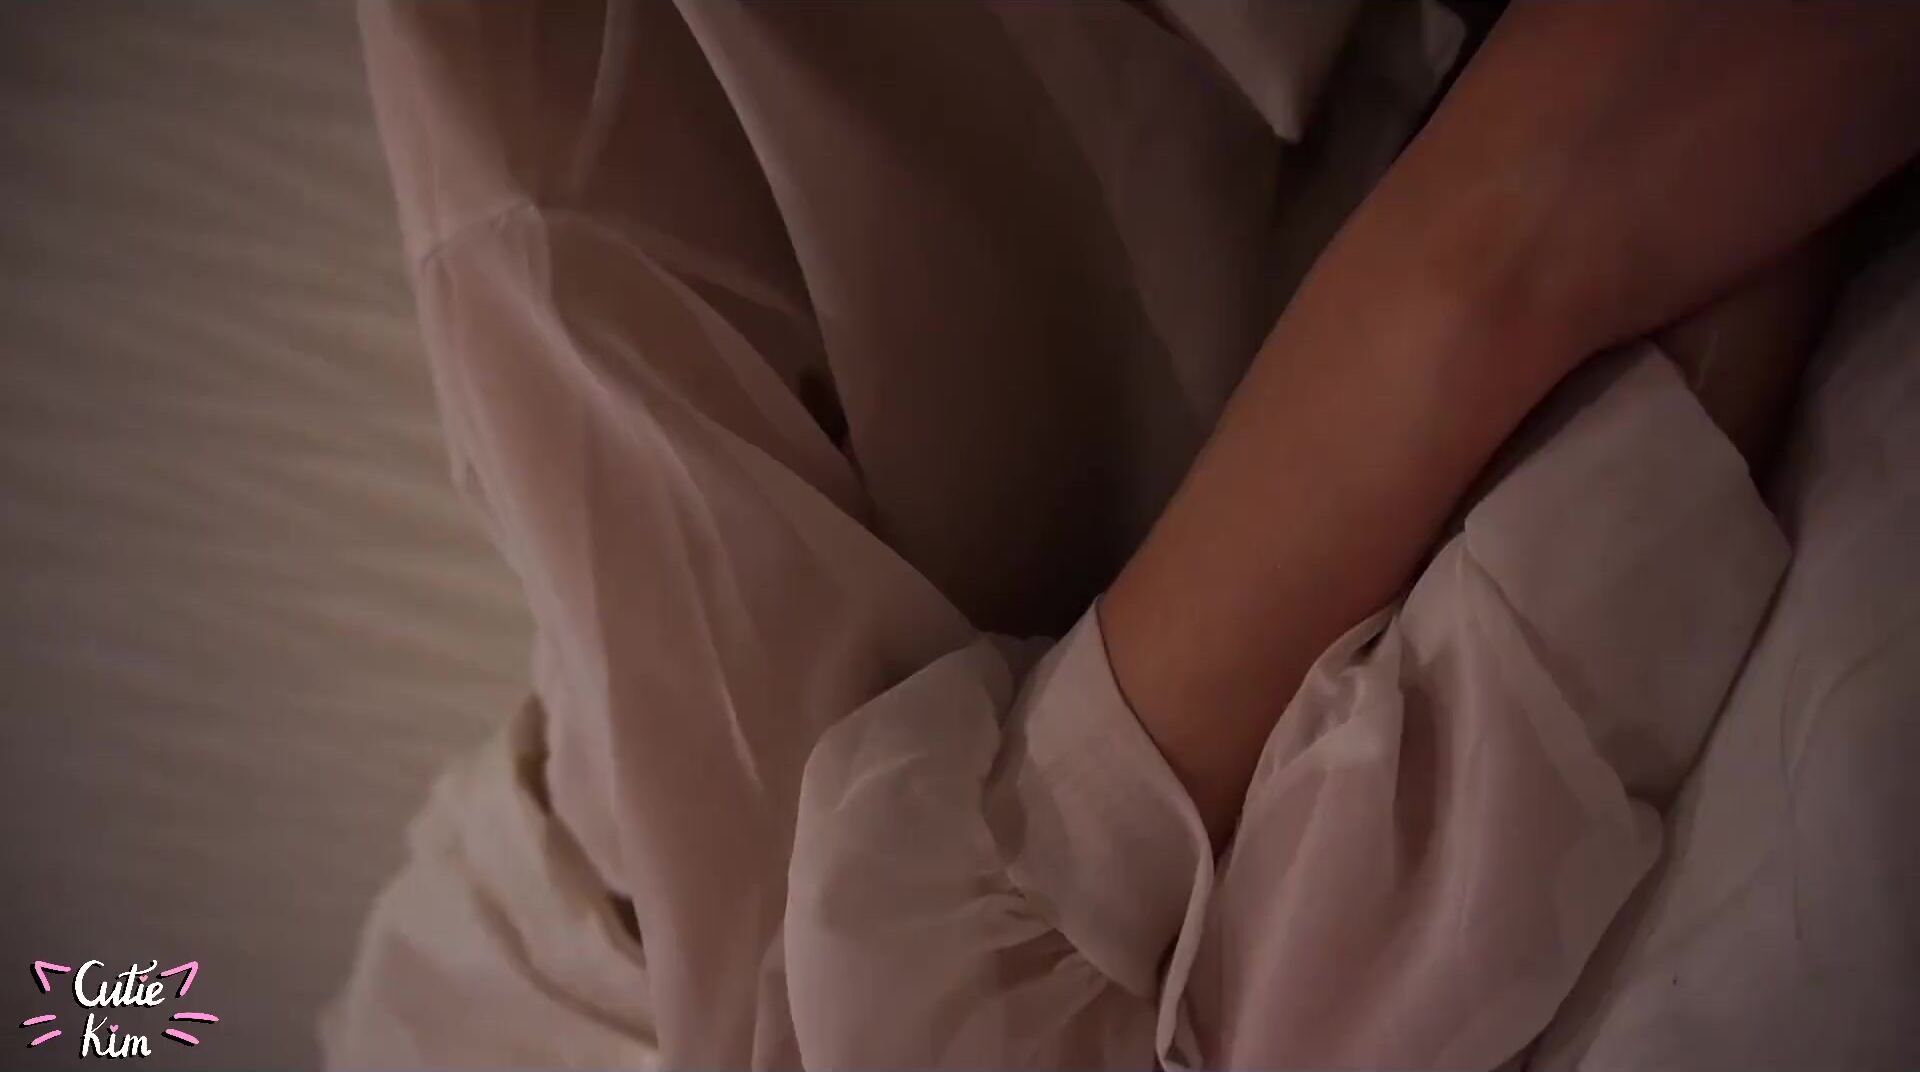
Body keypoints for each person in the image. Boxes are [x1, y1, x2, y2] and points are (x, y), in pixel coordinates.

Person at [325, 1, 1920, 1068]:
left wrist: (1531, 244)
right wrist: (1522, 250)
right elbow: (904, 1001)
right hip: (623, 966)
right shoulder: (562, 176)